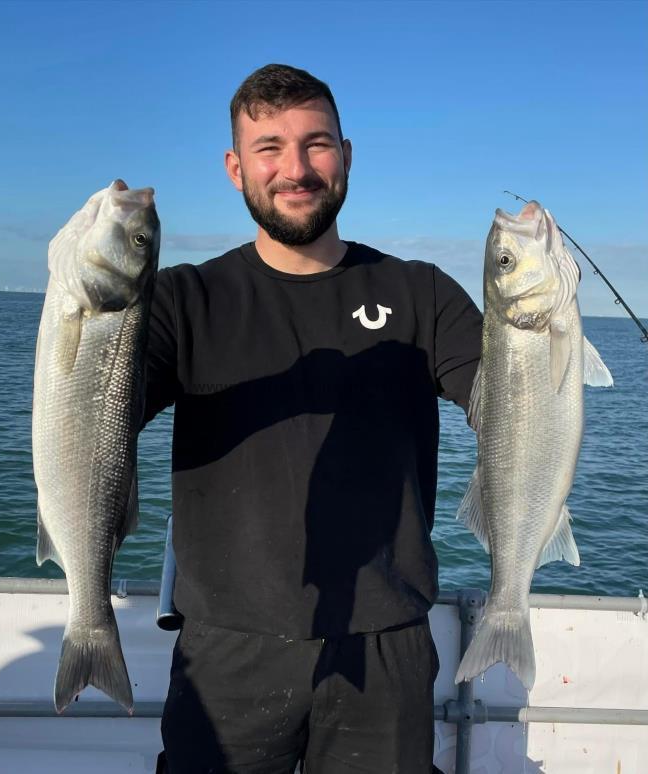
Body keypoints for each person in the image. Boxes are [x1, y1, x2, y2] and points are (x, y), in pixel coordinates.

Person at [144, 63, 482, 774]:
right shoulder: (183, 302)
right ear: (236, 168)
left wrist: (545, 336)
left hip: (386, 642)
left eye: (316, 143)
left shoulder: (422, 294)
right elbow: (90, 417)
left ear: (347, 154)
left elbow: (511, 409)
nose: (295, 169)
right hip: (227, 649)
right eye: (269, 147)